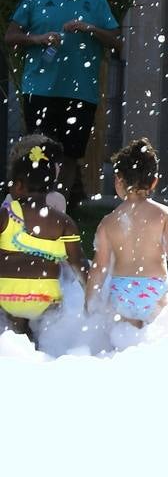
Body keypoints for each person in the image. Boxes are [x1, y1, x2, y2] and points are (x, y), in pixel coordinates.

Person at [5, 0, 122, 205]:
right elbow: (11, 36)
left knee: (70, 153)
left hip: (81, 91)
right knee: (37, 152)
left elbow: (117, 41)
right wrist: (38, 39)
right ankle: (33, 208)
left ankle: (60, 210)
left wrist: (89, 28)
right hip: (40, 89)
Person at [85, 138, 168, 327]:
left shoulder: (108, 222)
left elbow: (99, 267)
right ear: (154, 182)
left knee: (122, 346)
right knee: (155, 344)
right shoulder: (164, 215)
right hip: (154, 287)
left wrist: (89, 305)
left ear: (118, 179)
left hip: (121, 289)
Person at [0, 136, 88, 337]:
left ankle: (18, 333)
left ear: (20, 186)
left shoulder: (6, 214)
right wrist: (91, 298)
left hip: (6, 293)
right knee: (50, 320)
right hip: (44, 295)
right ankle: (42, 342)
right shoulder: (64, 222)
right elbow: (78, 264)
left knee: (14, 325)